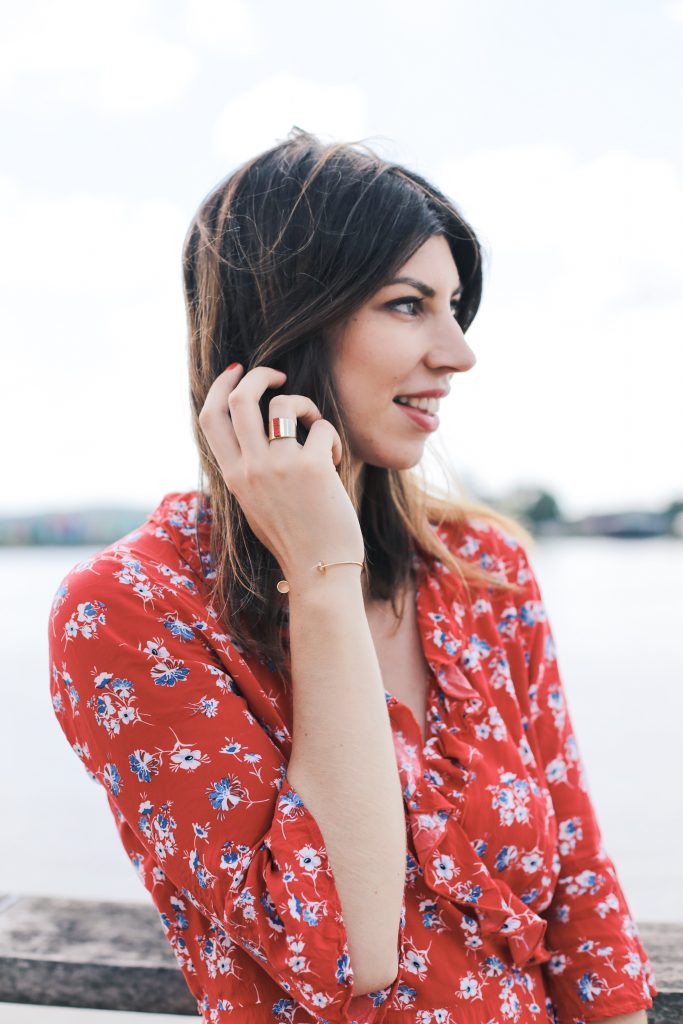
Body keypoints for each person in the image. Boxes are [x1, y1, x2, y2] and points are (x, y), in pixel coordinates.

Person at [48, 128, 657, 1024]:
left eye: (455, 308)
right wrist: (324, 578)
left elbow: (580, 900)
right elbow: (346, 949)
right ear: (286, 324)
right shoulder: (131, 613)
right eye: (409, 305)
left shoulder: (482, 572)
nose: (457, 352)